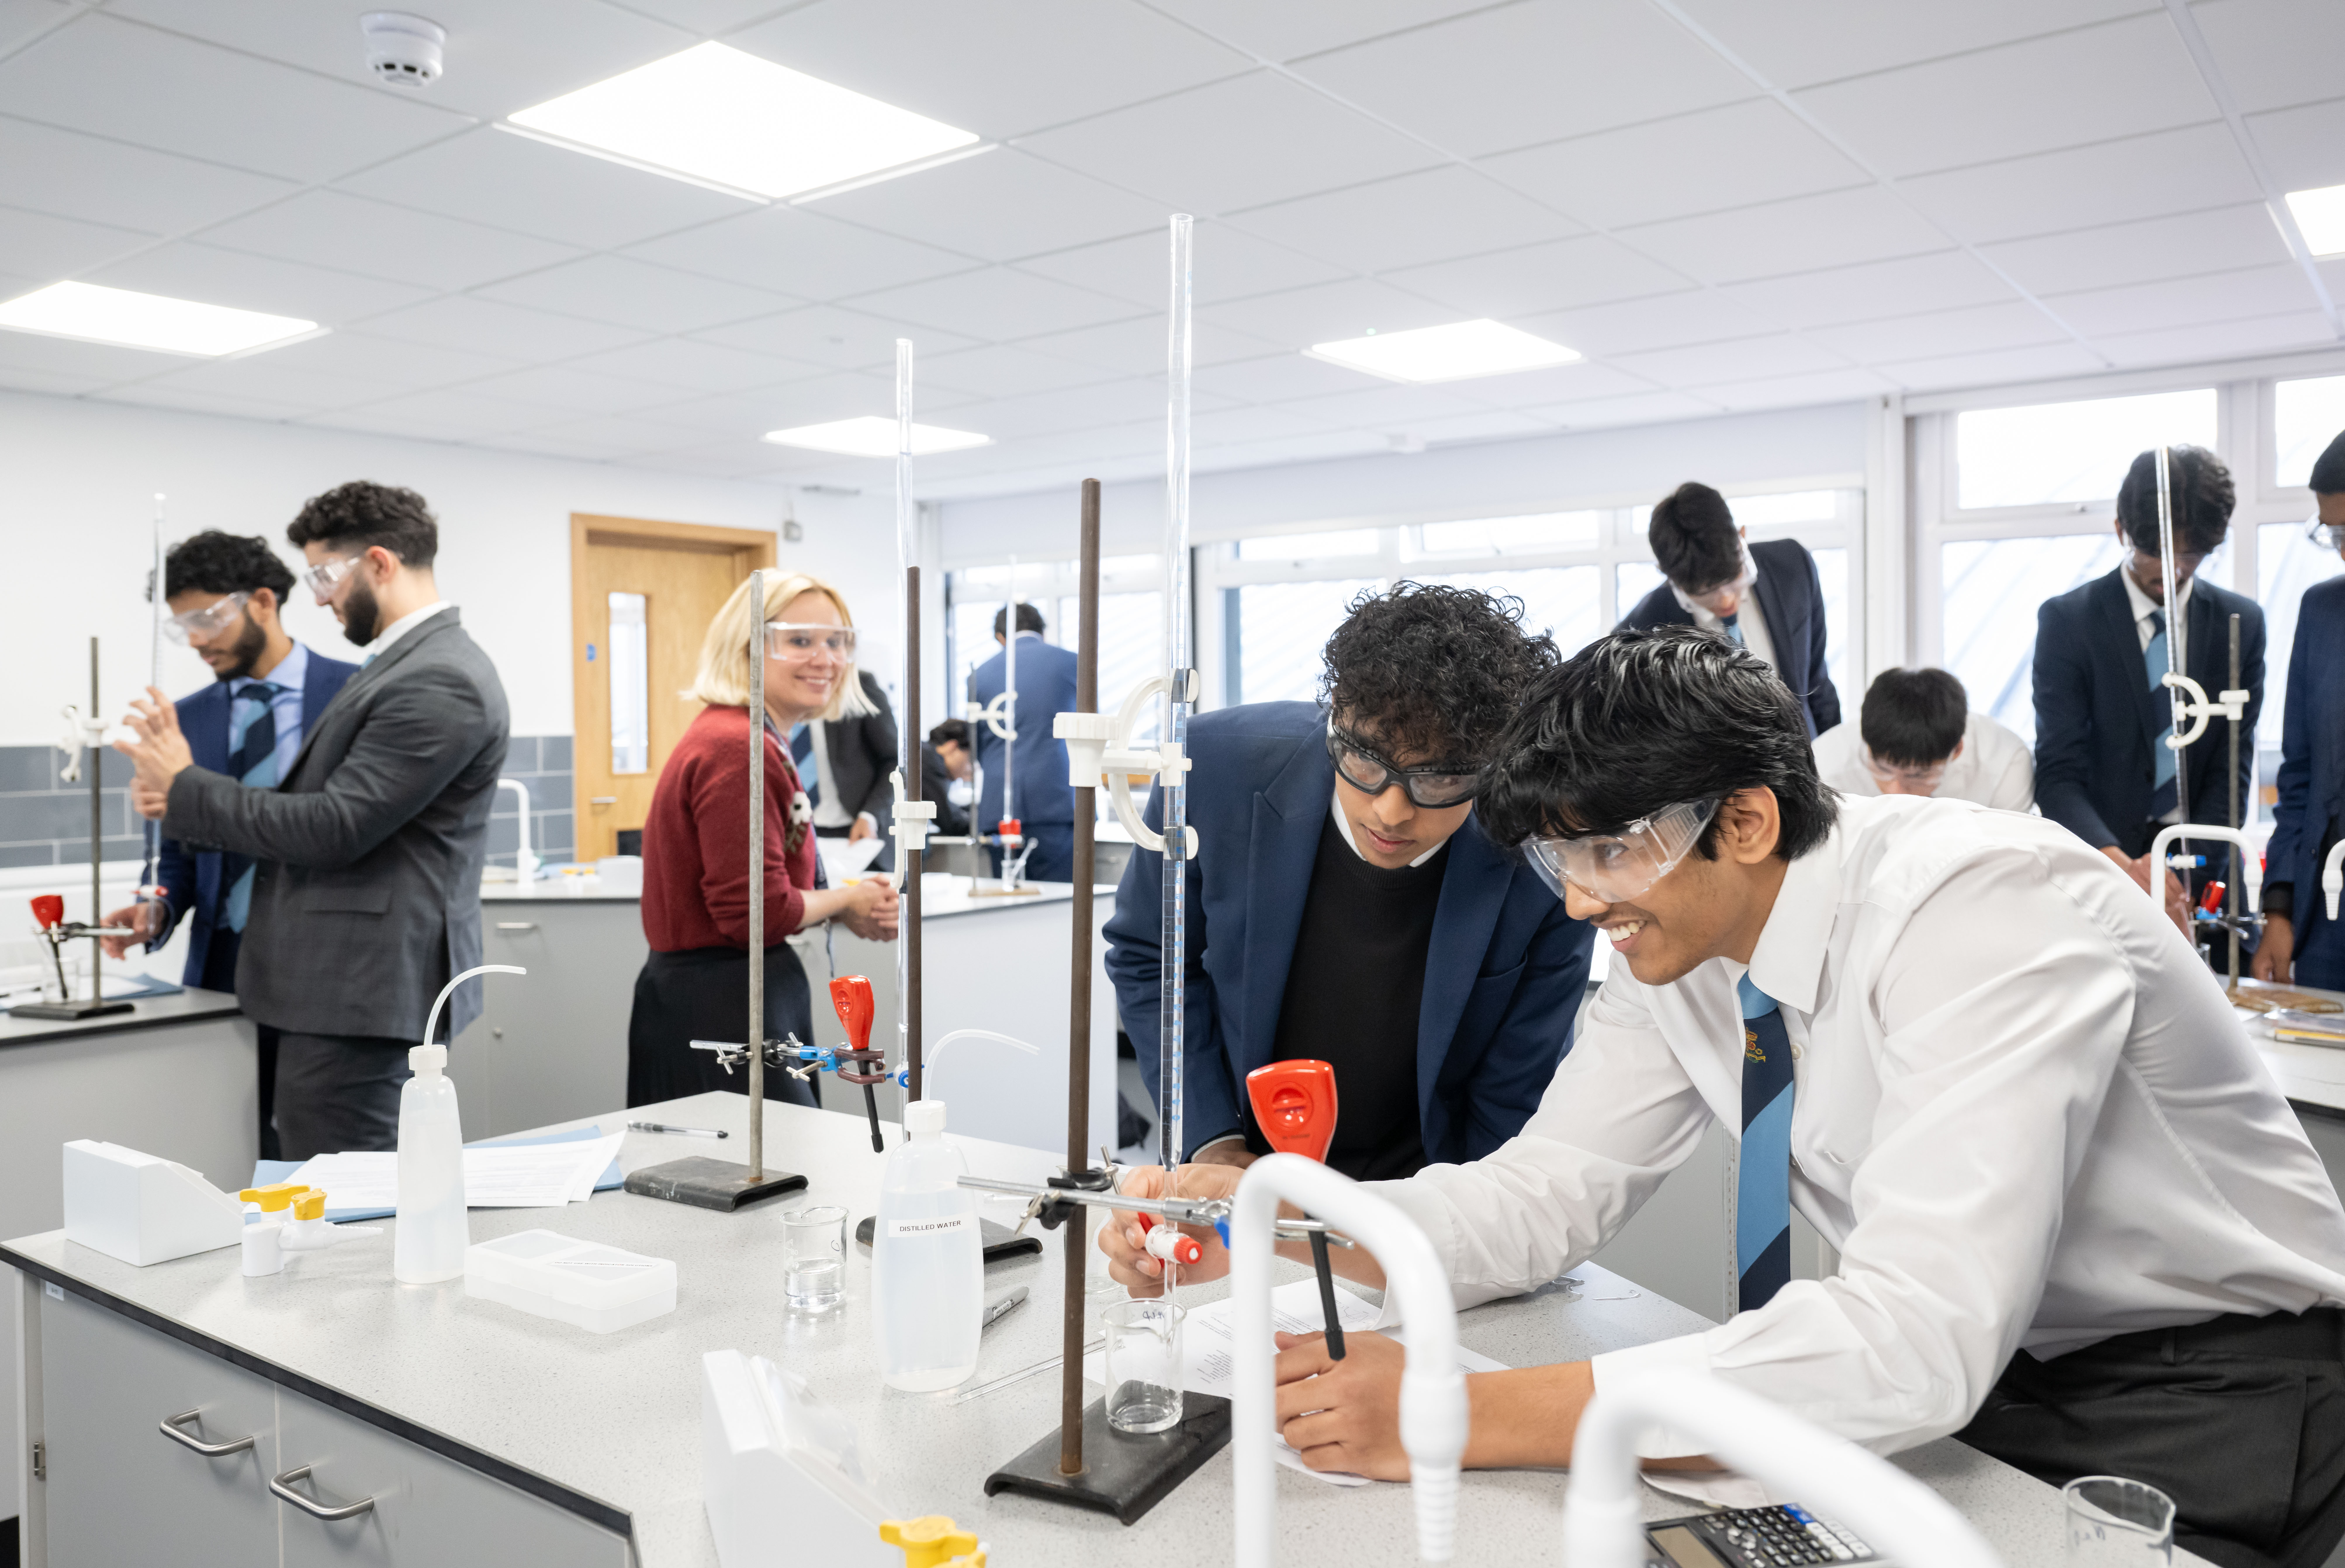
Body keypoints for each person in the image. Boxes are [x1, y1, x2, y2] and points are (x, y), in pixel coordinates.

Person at [1103, 628, 2345, 1568]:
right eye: (1555, 857)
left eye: (1604, 851)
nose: (1578, 900)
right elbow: (1543, 1198)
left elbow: (1912, 1340)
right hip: (2005, 1374)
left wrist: (1442, 1410)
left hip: (2221, 1389)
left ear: (1744, 818)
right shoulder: (1681, 942)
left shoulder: (1984, 913)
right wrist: (1270, 1216)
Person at [1103, 583, 1595, 1181]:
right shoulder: (1211, 768)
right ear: (1337, 711)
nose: (1389, 812)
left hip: (1433, 1185)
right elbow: (1152, 957)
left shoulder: (1542, 854)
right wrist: (1213, 1140)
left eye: (1438, 782)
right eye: (1365, 762)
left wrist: (1460, 1220)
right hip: (1245, 1166)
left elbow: (1514, 1086)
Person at [116, 482, 508, 1161]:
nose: (320, 596)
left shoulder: (437, 677)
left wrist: (183, 783)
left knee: (352, 1211)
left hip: (356, 990)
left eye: (326, 574)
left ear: (380, 563)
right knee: (314, 1186)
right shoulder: (400, 663)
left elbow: (333, 827)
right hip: (306, 980)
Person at [99, 531, 358, 1160]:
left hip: (326, 967)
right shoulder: (185, 718)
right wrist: (155, 904)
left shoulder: (357, 696)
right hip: (224, 969)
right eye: (179, 625)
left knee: (324, 1158)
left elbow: (343, 828)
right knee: (230, 1151)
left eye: (207, 617)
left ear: (263, 602)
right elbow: (175, 852)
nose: (194, 639)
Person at [628, 572, 900, 1108]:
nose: (825, 659)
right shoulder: (739, 748)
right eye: (800, 641)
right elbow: (755, 912)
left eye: (837, 641)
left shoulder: (748, 737)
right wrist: (848, 899)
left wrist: (837, 904)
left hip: (736, 992)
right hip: (724, 1003)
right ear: (747, 647)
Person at [2035, 446, 2263, 934]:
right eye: (2154, 552)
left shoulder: (2238, 625)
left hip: (2202, 871)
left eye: (2191, 554)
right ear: (2121, 530)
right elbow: (2058, 773)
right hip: (2104, 867)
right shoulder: (2069, 622)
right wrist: (2119, 866)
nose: (2173, 569)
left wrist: (2191, 871)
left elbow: (2231, 768)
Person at [1619, 481, 1840, 736]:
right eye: (1706, 592)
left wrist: (1832, 760)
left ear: (1741, 536)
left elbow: (1817, 680)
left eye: (1733, 580)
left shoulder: (1792, 566)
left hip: (1804, 753)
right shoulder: (1648, 623)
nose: (1725, 601)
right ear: (1670, 577)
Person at [2256, 430, 2345, 991]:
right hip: (2325, 921)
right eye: (2336, 533)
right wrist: (2281, 910)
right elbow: (2301, 776)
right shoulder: (2322, 611)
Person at [1810, 667, 2032, 809]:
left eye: (1917, 776)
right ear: (1866, 744)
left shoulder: (2005, 762)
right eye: (1884, 769)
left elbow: (2015, 860)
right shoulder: (1823, 765)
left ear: (1956, 750)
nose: (1895, 791)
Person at [968, 602, 1080, 881]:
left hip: (998, 809)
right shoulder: (1071, 663)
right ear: (1042, 631)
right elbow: (1088, 730)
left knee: (1008, 911)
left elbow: (977, 745)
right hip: (1053, 803)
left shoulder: (979, 674)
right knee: (1056, 907)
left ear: (1000, 637)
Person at [923, 718, 973, 836]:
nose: (969, 767)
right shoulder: (929, 761)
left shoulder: (926, 755)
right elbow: (952, 822)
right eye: (969, 759)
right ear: (952, 747)